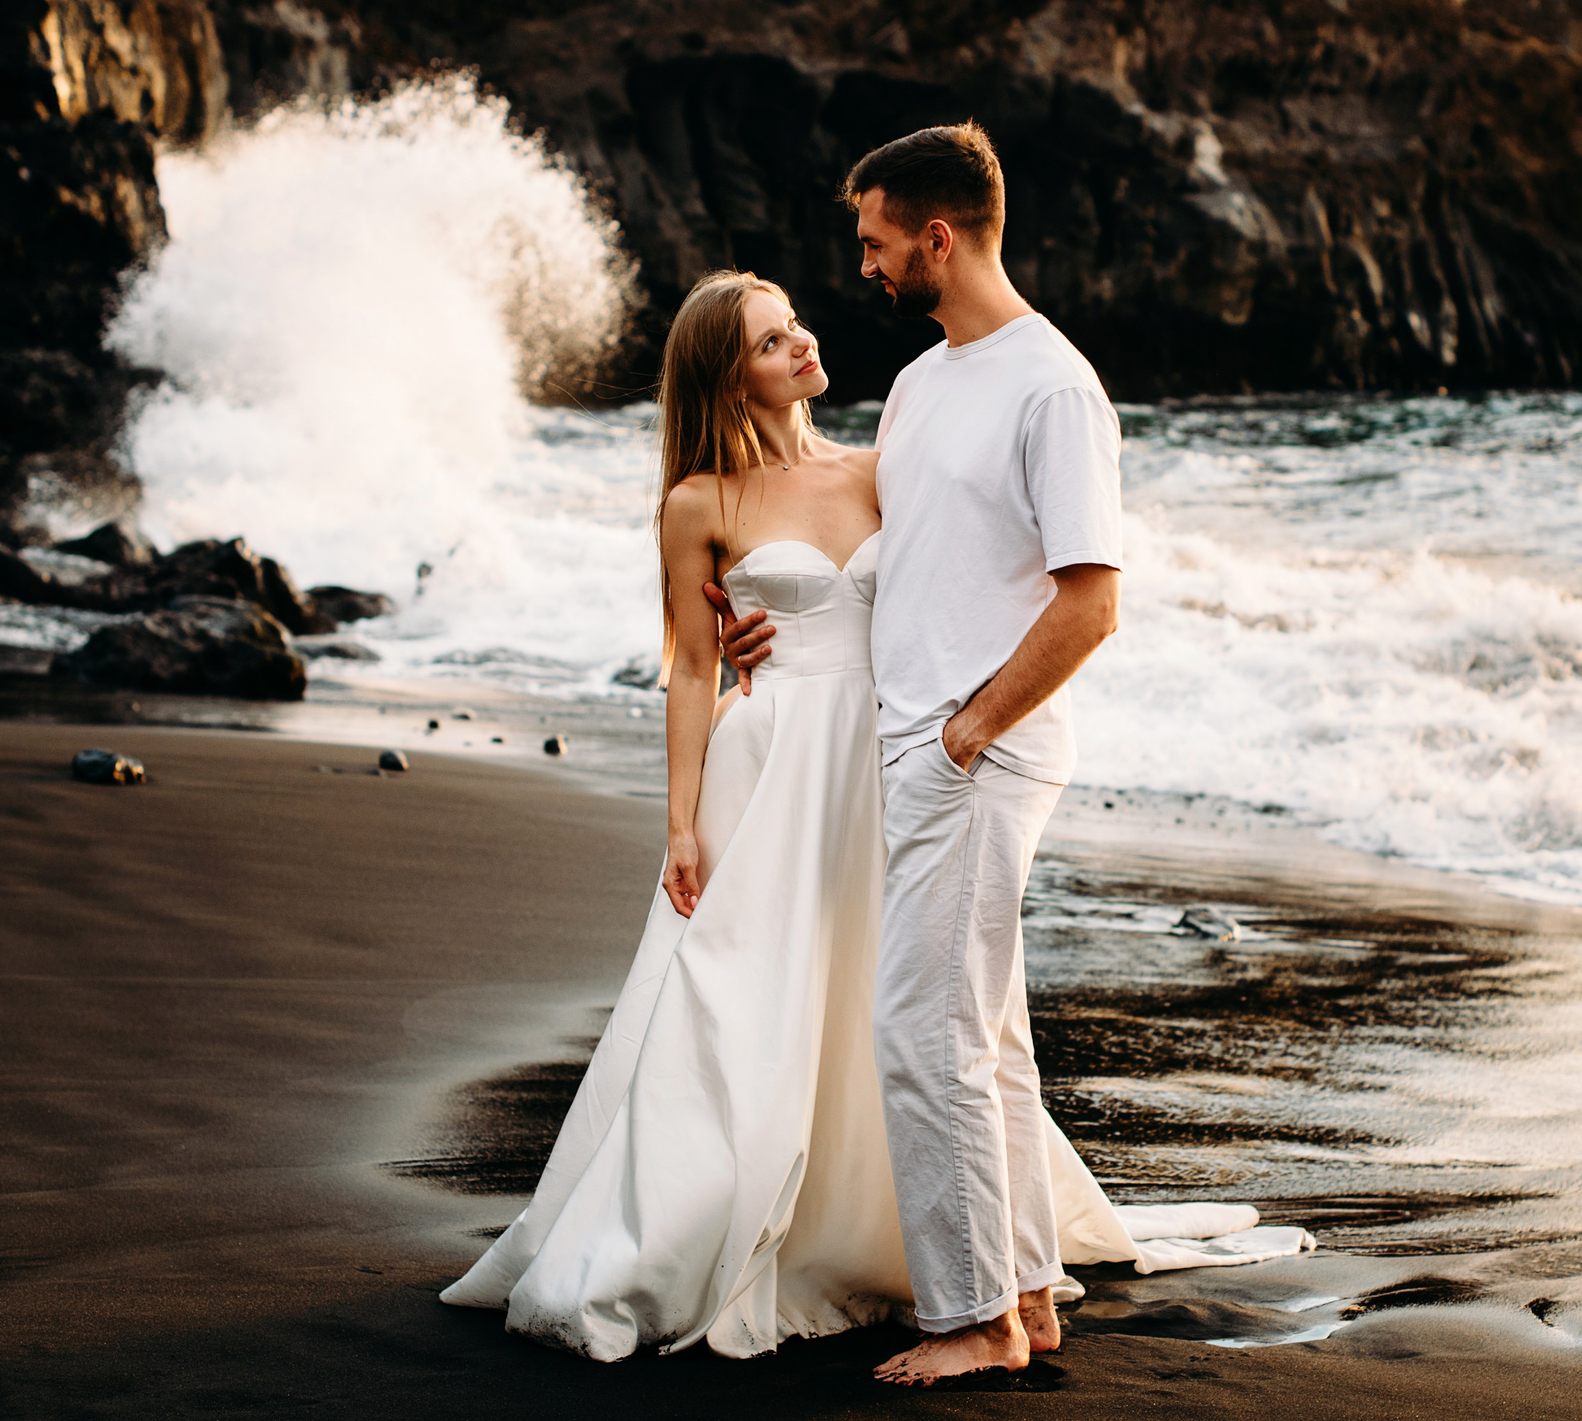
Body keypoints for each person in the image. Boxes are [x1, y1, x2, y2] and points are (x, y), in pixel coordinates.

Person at [443, 149, 1305, 1371]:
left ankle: (973, 1297)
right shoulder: (797, 453)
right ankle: (973, 1283)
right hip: (799, 756)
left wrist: (966, 727)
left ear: (934, 236)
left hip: (920, 749)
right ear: (728, 374)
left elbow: (1024, 584)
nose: (823, 312)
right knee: (818, 1004)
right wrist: (704, 757)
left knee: (916, 1018)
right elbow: (707, 657)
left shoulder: (945, 431)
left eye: (860, 253)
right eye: (771, 336)